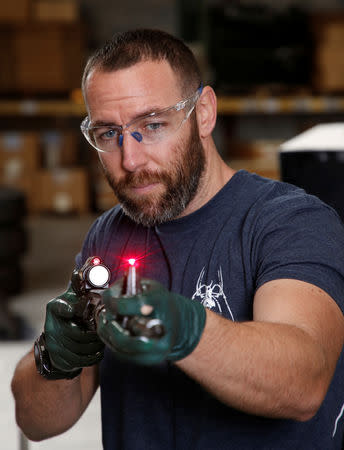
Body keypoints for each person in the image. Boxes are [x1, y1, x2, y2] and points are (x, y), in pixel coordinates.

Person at [11, 29, 344, 449]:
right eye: (108, 134)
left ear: (204, 113)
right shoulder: (109, 234)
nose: (130, 160)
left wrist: (186, 329)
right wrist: (54, 358)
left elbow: (304, 382)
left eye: (151, 126)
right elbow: (40, 424)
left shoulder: (290, 221)